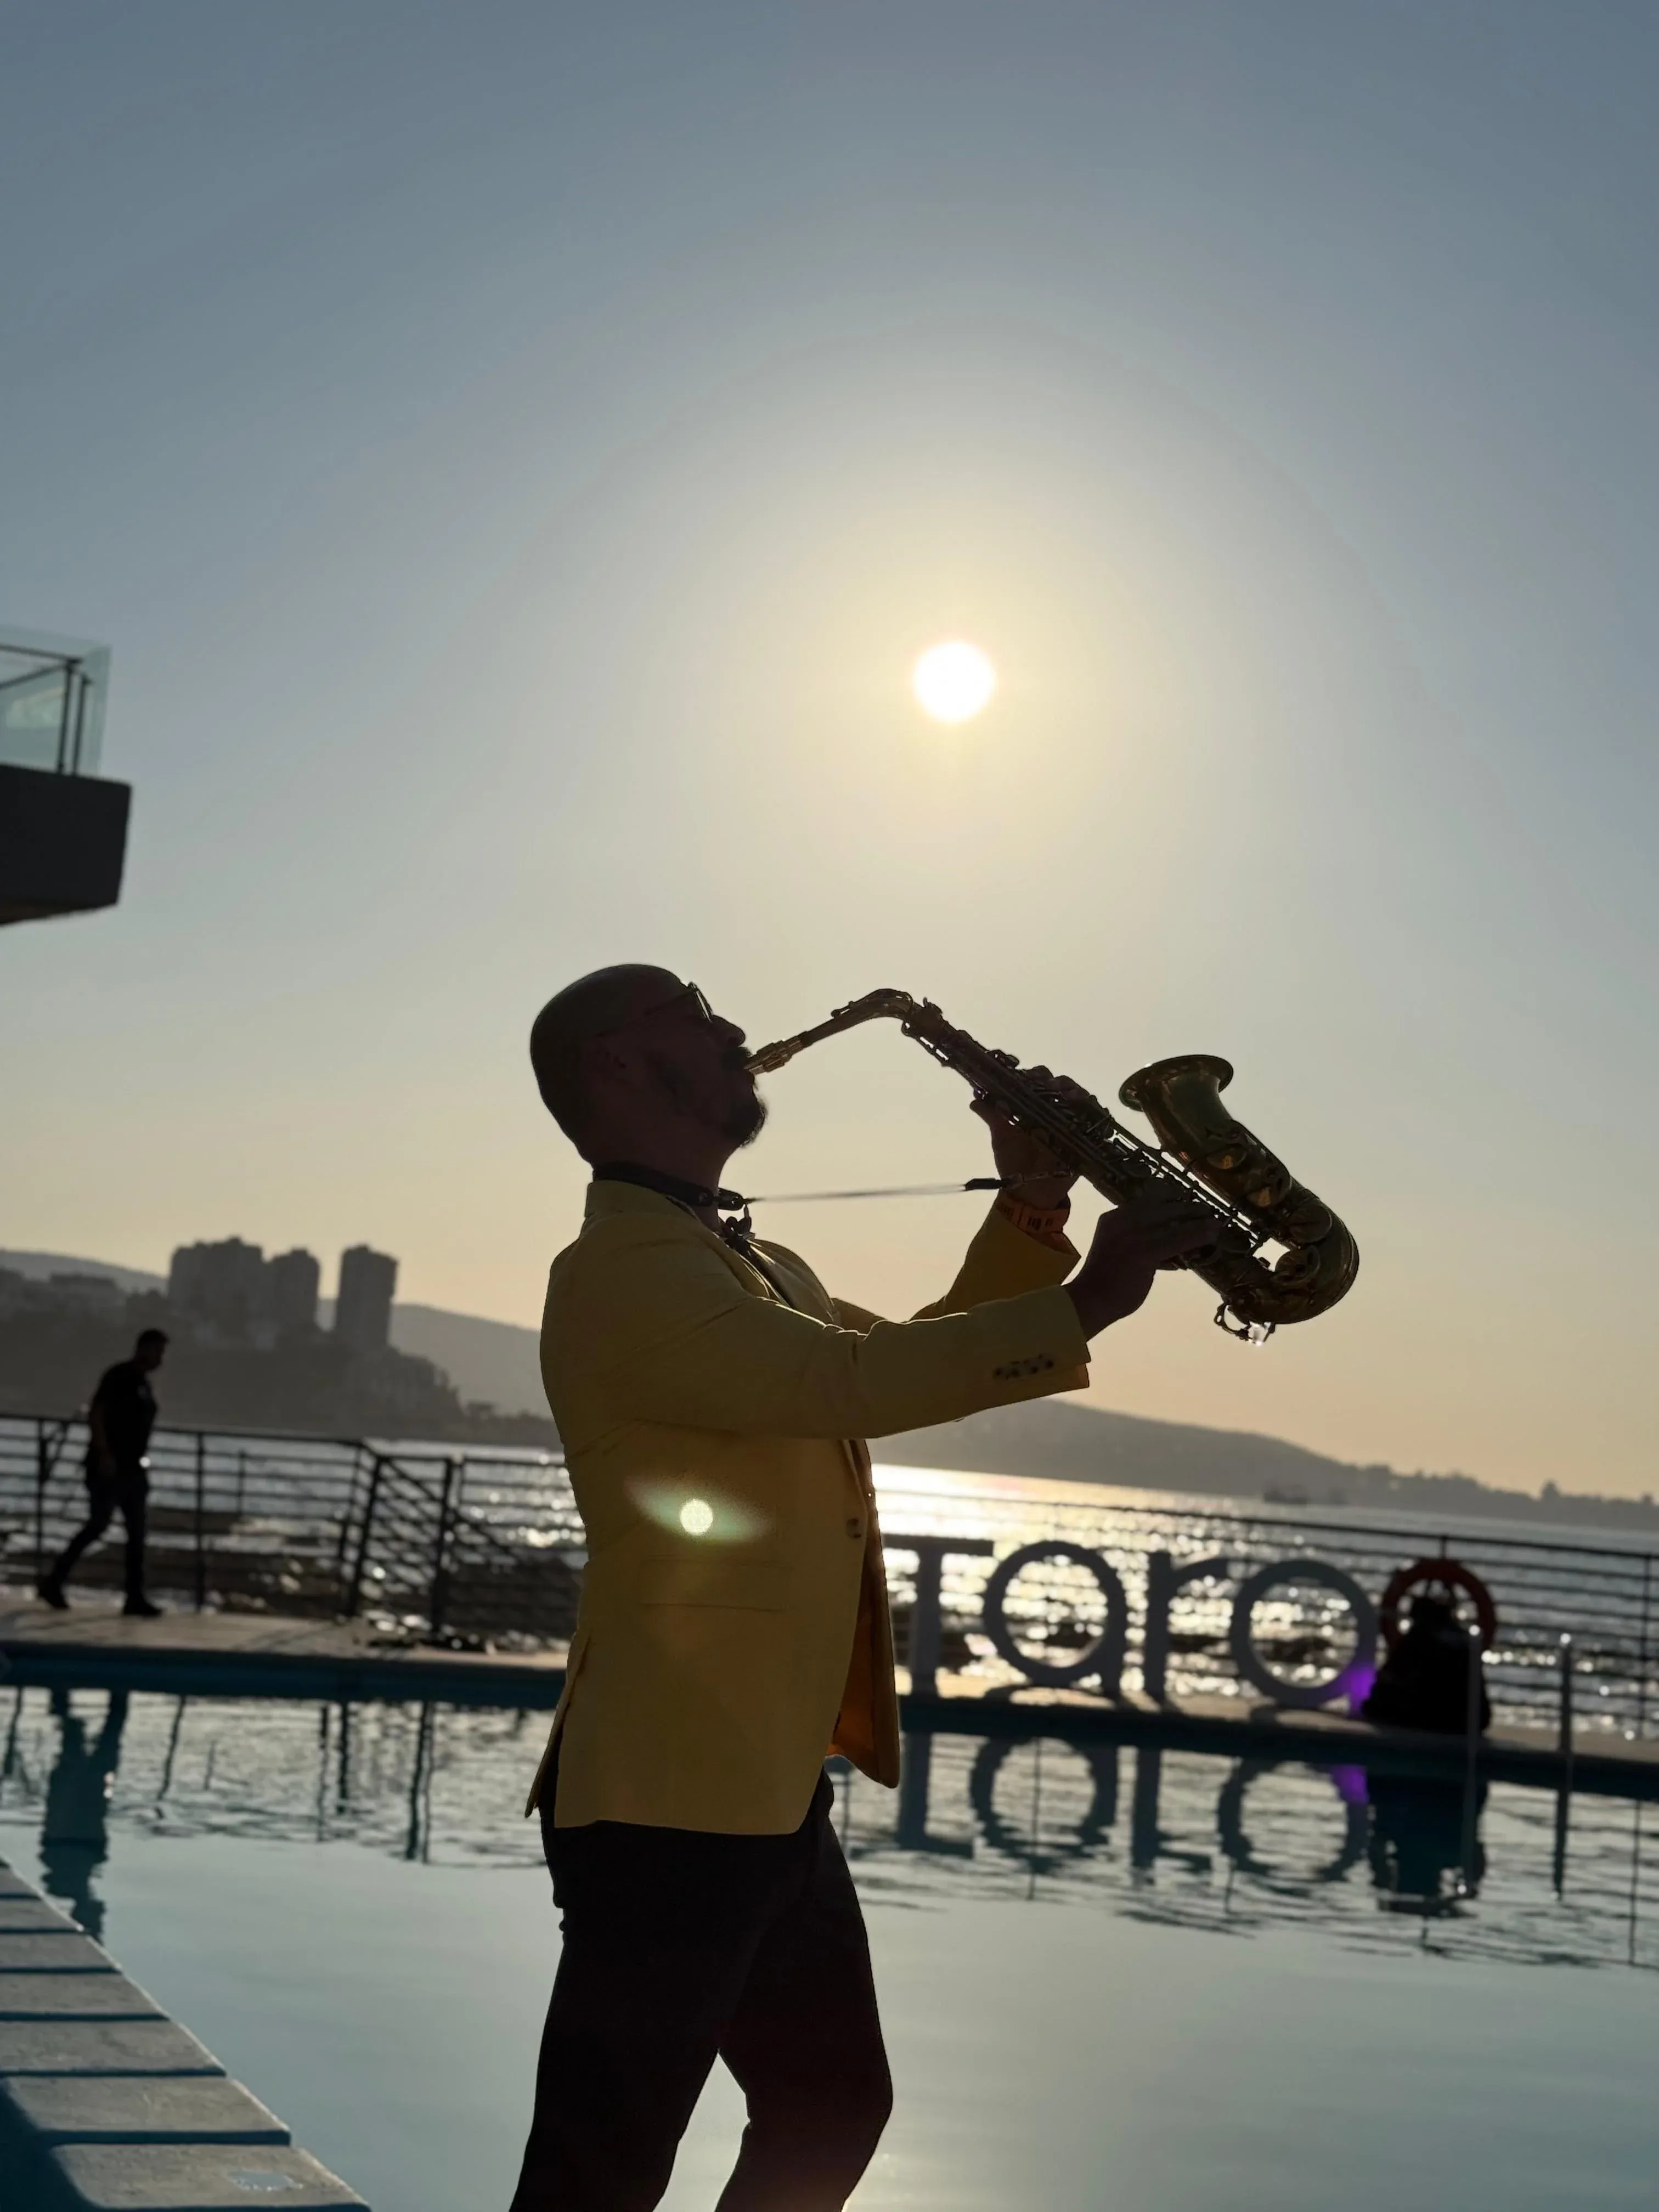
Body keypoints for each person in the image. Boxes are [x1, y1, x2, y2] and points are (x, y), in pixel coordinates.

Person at [509, 965, 1214, 2212]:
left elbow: (893, 1355)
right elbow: (859, 1387)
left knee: (831, 2107)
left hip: (761, 1789)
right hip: (673, 1795)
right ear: (616, 1063)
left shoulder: (749, 1261)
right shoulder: (619, 1270)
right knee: (599, 2168)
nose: (731, 1026)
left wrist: (1033, 1199)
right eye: (690, 1008)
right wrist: (1095, 1296)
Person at [38, 1327, 168, 1617]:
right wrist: (105, 1454)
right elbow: (97, 1414)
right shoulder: (120, 1376)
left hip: (133, 1468)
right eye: (158, 1351)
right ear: (144, 1348)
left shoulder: (142, 1383)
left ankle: (134, 1596)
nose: (161, 1359)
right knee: (98, 1524)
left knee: (136, 1532)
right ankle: (55, 1582)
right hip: (110, 1468)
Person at [1362, 1589, 1491, 1735]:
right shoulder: (1466, 1641)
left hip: (1431, 1717)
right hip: (1472, 1721)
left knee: (1376, 1704)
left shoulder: (1418, 1638)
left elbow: (1388, 1676)